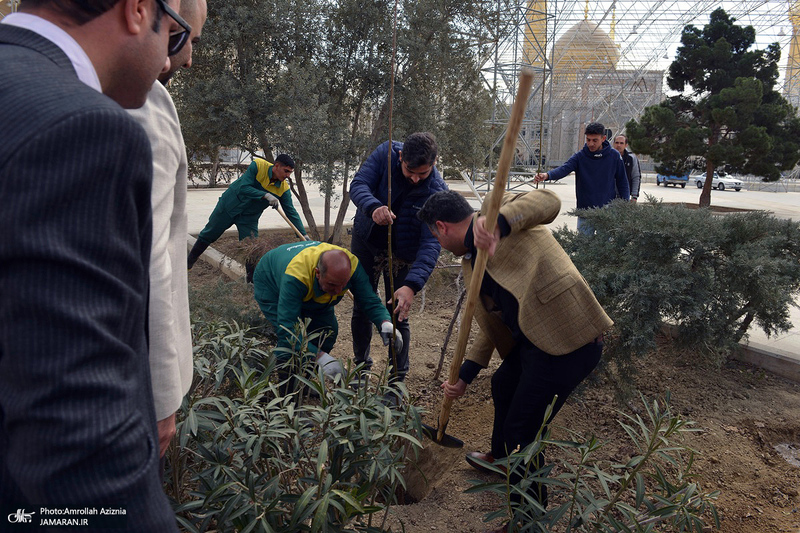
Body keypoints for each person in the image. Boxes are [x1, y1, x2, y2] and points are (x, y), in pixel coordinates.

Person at [0, 0, 186, 529]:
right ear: (137, 10)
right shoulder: (80, 127)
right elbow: (78, 436)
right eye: (172, 35)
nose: (171, 64)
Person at [417, 189, 613, 528]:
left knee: (523, 430)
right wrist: (465, 373)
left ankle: (529, 520)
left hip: (569, 339)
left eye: (434, 236)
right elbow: (493, 323)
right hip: (535, 344)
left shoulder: (497, 215)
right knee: (503, 382)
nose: (437, 244)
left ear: (441, 227)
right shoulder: (469, 262)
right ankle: (503, 459)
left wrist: (498, 225)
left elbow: (549, 202)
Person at [128, 0, 207, 461]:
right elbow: (154, 256)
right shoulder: (145, 98)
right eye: (185, 39)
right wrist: (163, 399)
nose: (186, 58)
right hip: (133, 384)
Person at [349, 132, 447, 385]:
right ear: (401, 157)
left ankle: (396, 381)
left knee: (398, 311)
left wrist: (412, 285)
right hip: (367, 242)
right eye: (409, 171)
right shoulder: (385, 153)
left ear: (434, 164)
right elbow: (358, 185)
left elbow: (430, 243)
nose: (415, 178)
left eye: (422, 174)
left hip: (404, 256)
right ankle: (361, 369)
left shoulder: (436, 192)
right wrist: (373, 207)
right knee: (362, 305)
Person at [253, 241, 402, 385]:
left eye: (343, 285)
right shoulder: (296, 276)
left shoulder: (352, 266)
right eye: (332, 284)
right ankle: (289, 392)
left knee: (327, 331)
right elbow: (288, 329)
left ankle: (305, 383)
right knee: (289, 342)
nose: (338, 291)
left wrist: (385, 322)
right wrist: (319, 357)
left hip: (312, 288)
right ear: (318, 273)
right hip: (270, 281)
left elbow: (369, 300)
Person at [187, 153, 306, 282]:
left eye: (290, 172)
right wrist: (265, 195)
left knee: (252, 248)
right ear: (276, 166)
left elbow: (291, 212)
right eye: (286, 171)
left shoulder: (283, 189)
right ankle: (188, 264)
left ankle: (251, 283)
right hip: (229, 206)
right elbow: (244, 187)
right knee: (208, 234)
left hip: (249, 218)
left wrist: (303, 234)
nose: (288, 175)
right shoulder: (258, 165)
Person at [534, 122, 630, 233]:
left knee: (605, 246)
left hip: (607, 211)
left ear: (603, 138)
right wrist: (547, 175)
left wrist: (625, 206)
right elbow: (565, 168)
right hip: (585, 210)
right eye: (588, 140)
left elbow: (623, 182)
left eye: (595, 140)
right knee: (583, 244)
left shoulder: (614, 156)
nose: (591, 144)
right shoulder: (580, 156)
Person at [613, 133, 641, 202]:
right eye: (617, 143)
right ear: (613, 144)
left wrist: (634, 196)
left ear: (626, 145)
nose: (618, 145)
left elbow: (636, 177)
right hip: (609, 195)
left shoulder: (631, 158)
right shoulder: (608, 157)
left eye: (621, 143)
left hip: (624, 196)